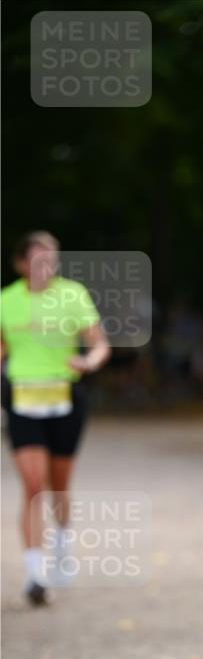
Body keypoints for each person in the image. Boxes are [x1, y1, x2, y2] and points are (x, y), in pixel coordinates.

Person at [0, 231, 110, 605]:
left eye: (52, 257)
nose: (47, 265)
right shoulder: (6, 301)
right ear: (20, 264)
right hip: (22, 399)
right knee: (34, 485)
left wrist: (89, 361)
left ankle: (62, 543)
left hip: (65, 399)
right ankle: (34, 575)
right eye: (38, 258)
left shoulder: (72, 295)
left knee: (59, 485)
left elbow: (99, 344)